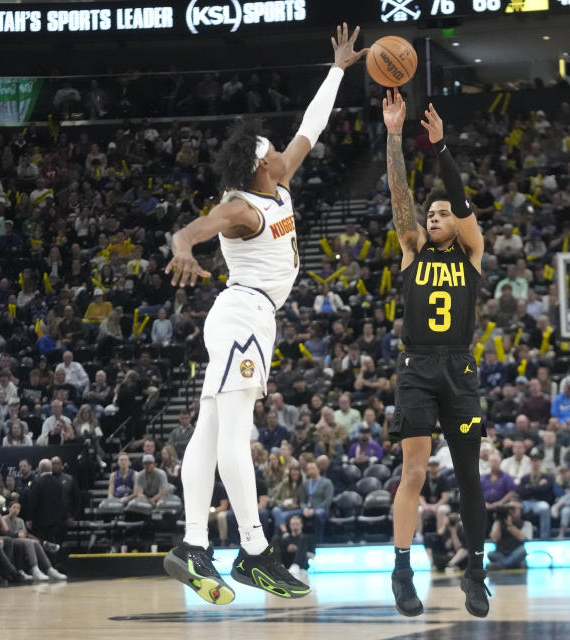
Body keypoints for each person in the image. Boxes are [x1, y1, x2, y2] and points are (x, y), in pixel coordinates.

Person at [162, 25, 367, 605]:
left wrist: (337, 71)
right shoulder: (240, 206)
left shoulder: (277, 186)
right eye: (271, 150)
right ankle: (253, 552)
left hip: (247, 316)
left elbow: (311, 127)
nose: (281, 150)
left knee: (208, 431)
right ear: (259, 165)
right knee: (233, 433)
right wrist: (182, 250)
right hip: (243, 314)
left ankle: (193, 545)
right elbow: (192, 230)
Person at [383, 92, 490, 617]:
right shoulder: (412, 249)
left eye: (442, 212)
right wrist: (394, 136)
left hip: (460, 368)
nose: (433, 216)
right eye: (430, 213)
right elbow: (400, 192)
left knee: (469, 476)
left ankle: (476, 572)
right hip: (418, 368)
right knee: (414, 473)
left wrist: (441, 145)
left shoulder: (472, 251)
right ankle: (403, 571)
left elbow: (460, 197)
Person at [273, 513, 316, 577]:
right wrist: (286, 550)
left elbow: (312, 556)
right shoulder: (286, 539)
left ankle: (296, 565)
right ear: (290, 525)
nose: (295, 526)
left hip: (301, 566)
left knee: (302, 538)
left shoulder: (308, 538)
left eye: (297, 524)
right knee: (276, 538)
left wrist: (298, 550)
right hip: (287, 564)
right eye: (293, 524)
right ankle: (279, 566)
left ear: (301, 525)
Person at [486, 504, 527, 570]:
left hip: (515, 551)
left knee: (523, 550)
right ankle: (513, 565)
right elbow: (495, 539)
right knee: (490, 554)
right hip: (501, 553)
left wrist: (510, 525)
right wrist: (498, 521)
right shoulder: (497, 524)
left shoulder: (519, 522)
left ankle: (501, 566)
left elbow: (522, 538)